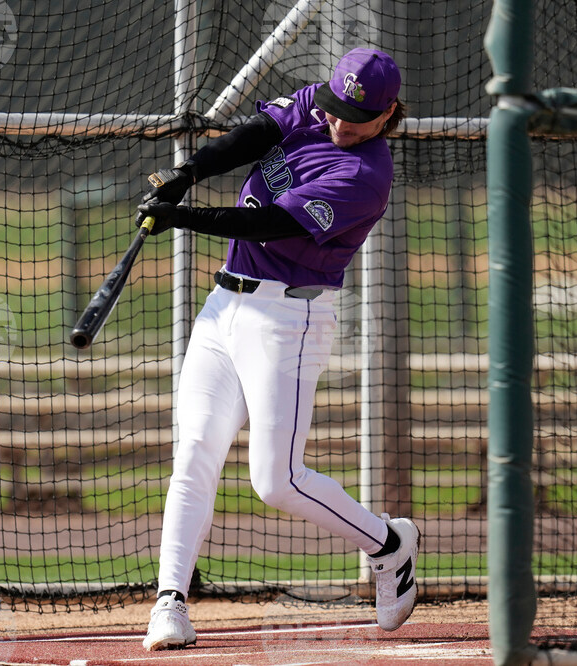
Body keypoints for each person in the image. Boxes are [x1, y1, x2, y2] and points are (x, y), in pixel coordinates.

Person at [135, 47, 418, 651]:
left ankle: (389, 544)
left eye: (359, 119)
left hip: (289, 320)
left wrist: (181, 216)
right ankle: (170, 601)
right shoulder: (321, 106)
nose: (341, 125)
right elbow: (253, 134)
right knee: (194, 453)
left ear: (389, 113)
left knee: (276, 480)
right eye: (338, 109)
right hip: (223, 307)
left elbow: (270, 225)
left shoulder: (364, 176)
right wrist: (187, 173)